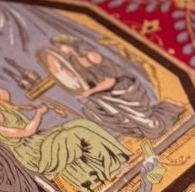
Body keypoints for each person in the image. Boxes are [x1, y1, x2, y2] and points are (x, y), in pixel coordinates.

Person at [0, 84, 129, 192]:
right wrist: (39, 113)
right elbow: (26, 132)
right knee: (76, 134)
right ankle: (110, 167)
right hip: (34, 152)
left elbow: (4, 93)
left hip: (42, 138)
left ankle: (118, 157)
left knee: (80, 124)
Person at [41, 36, 183, 140]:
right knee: (91, 108)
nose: (60, 50)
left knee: (155, 130)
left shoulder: (92, 56)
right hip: (104, 92)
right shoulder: (73, 62)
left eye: (60, 47)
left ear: (68, 44)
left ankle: (168, 108)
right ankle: (136, 123)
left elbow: (111, 81)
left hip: (123, 87)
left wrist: (90, 92)